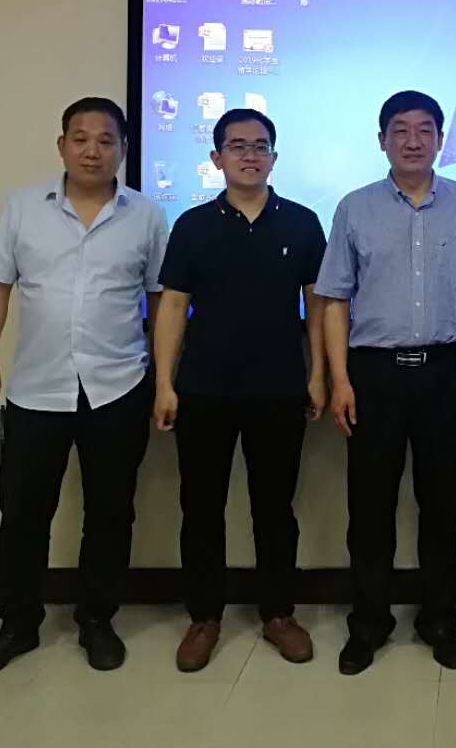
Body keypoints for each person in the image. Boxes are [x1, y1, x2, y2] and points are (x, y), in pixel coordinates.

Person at [0, 97, 167, 682]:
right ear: (62, 146)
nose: (92, 150)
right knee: (22, 513)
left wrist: (163, 377)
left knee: (110, 513)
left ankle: (96, 620)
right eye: (80, 138)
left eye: (105, 140)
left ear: (123, 149)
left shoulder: (146, 216)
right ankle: (16, 624)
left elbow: (161, 300)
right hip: (36, 389)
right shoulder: (23, 208)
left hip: (118, 386)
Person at [317, 91, 456, 675]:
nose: (413, 140)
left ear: (440, 139)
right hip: (374, 376)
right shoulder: (355, 208)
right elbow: (334, 299)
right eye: (400, 129)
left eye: (424, 130)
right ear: (382, 139)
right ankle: (369, 623)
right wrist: (340, 380)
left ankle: (440, 620)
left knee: (444, 507)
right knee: (370, 510)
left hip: (445, 373)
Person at [152, 108, 327, 673]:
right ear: (216, 158)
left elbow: (318, 306)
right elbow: (173, 306)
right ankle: (204, 617)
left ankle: (278, 613)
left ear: (274, 156)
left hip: (279, 387)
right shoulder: (192, 226)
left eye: (260, 146)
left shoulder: (301, 223)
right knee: (200, 507)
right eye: (237, 146)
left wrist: (318, 374)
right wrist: (164, 383)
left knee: (275, 508)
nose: (250, 155)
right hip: (204, 388)